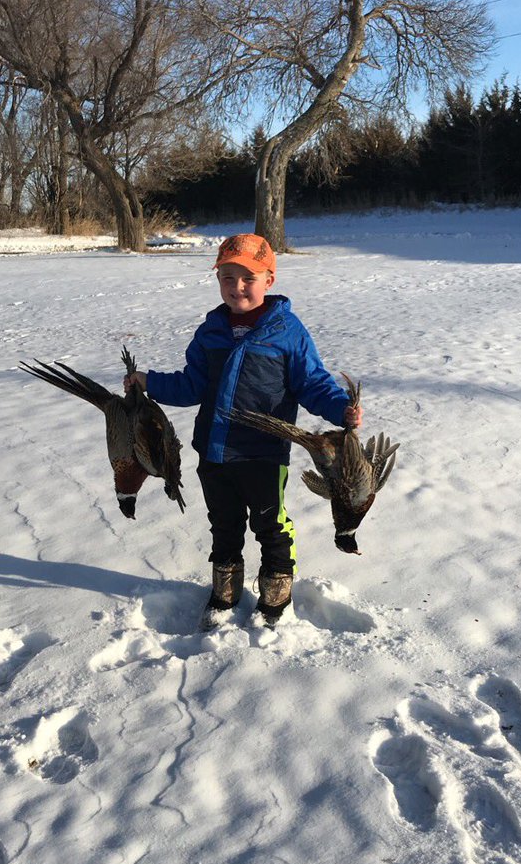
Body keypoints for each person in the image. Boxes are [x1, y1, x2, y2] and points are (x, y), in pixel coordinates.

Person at [124, 233, 361, 624]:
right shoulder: (211, 331)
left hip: (264, 453)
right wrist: (149, 382)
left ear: (269, 280)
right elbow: (192, 385)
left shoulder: (287, 331)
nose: (237, 287)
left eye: (248, 278)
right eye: (227, 278)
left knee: (270, 523)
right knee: (224, 523)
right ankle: (226, 591)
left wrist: (341, 409)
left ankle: (276, 593)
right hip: (214, 451)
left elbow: (312, 383)